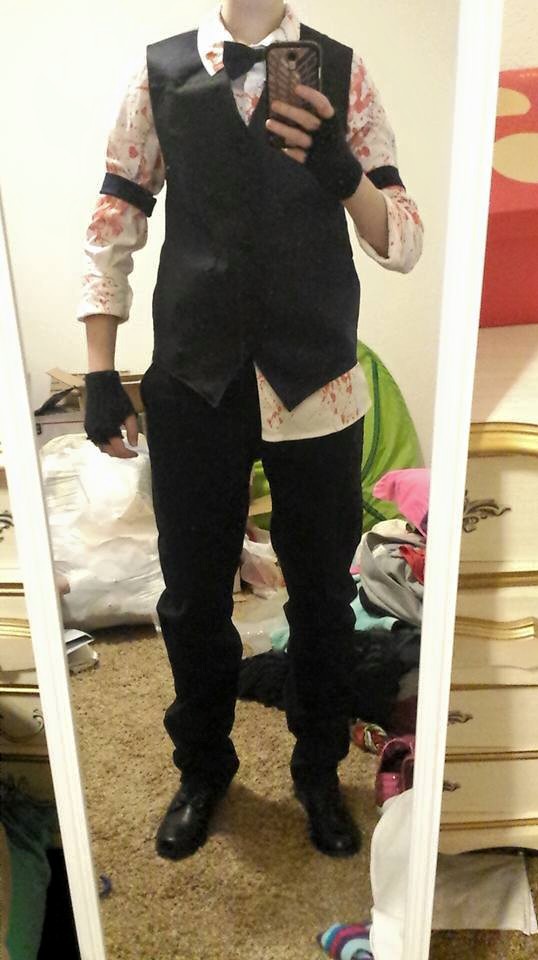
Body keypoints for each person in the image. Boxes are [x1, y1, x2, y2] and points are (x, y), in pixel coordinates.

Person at [78, 0, 423, 862]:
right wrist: (98, 371)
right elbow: (115, 219)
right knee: (193, 596)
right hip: (194, 379)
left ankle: (318, 770)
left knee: (323, 596)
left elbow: (403, 244)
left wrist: (343, 172)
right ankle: (203, 768)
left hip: (318, 383)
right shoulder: (156, 71)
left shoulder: (343, 69)